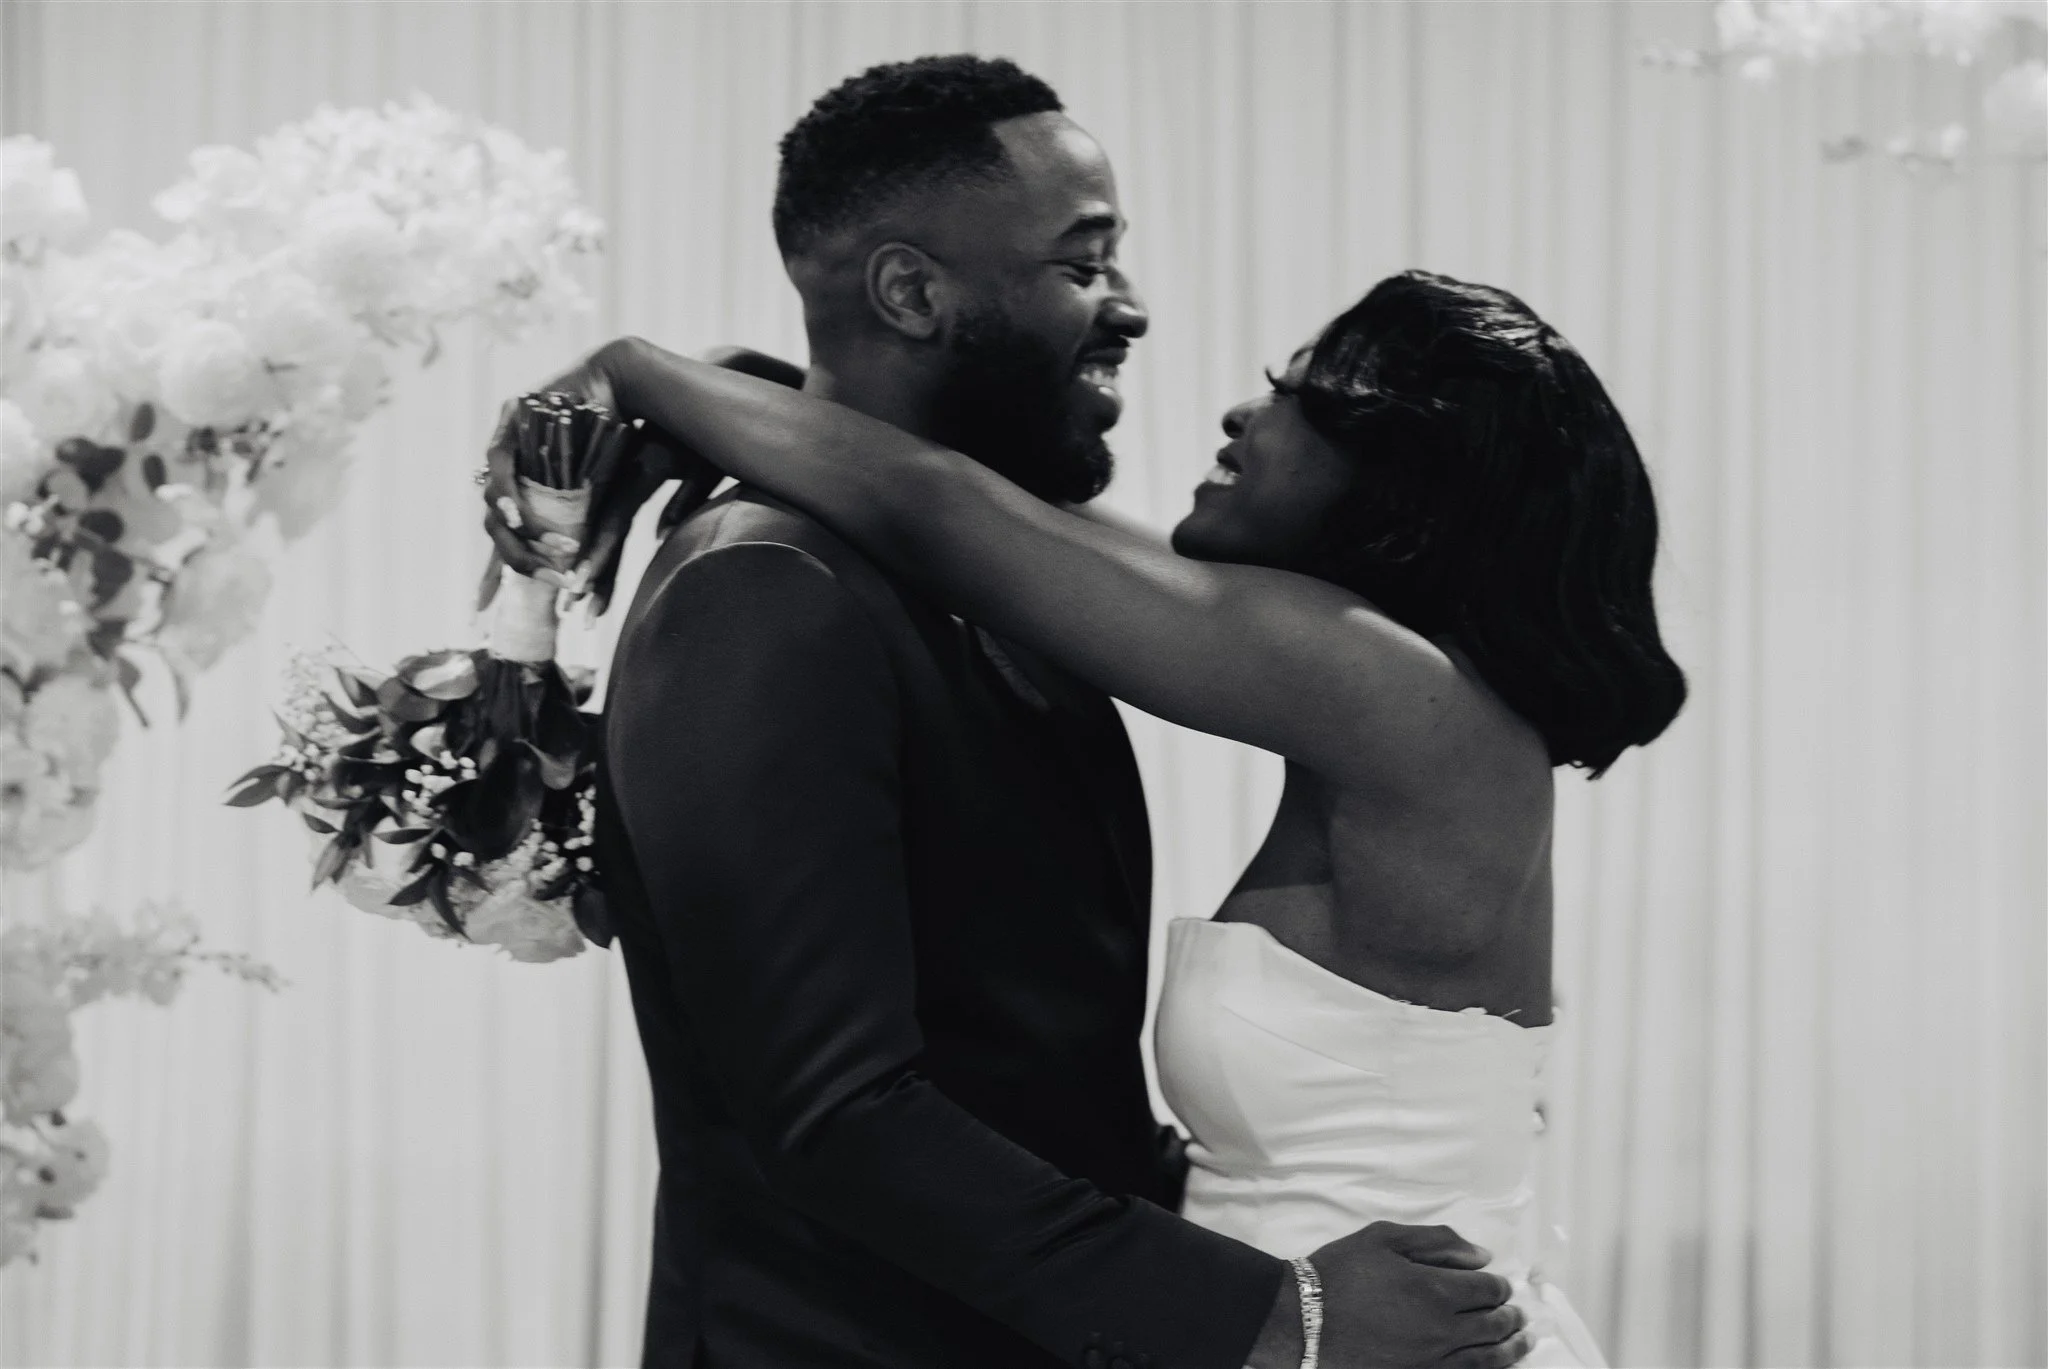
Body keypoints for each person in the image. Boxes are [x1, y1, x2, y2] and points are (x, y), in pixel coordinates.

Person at [487, 56, 1534, 1369]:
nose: (1133, 308)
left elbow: (1037, 1079)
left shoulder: (1000, 580)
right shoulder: (767, 586)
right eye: (1084, 261)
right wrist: (1270, 1315)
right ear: (913, 292)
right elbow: (836, 1115)